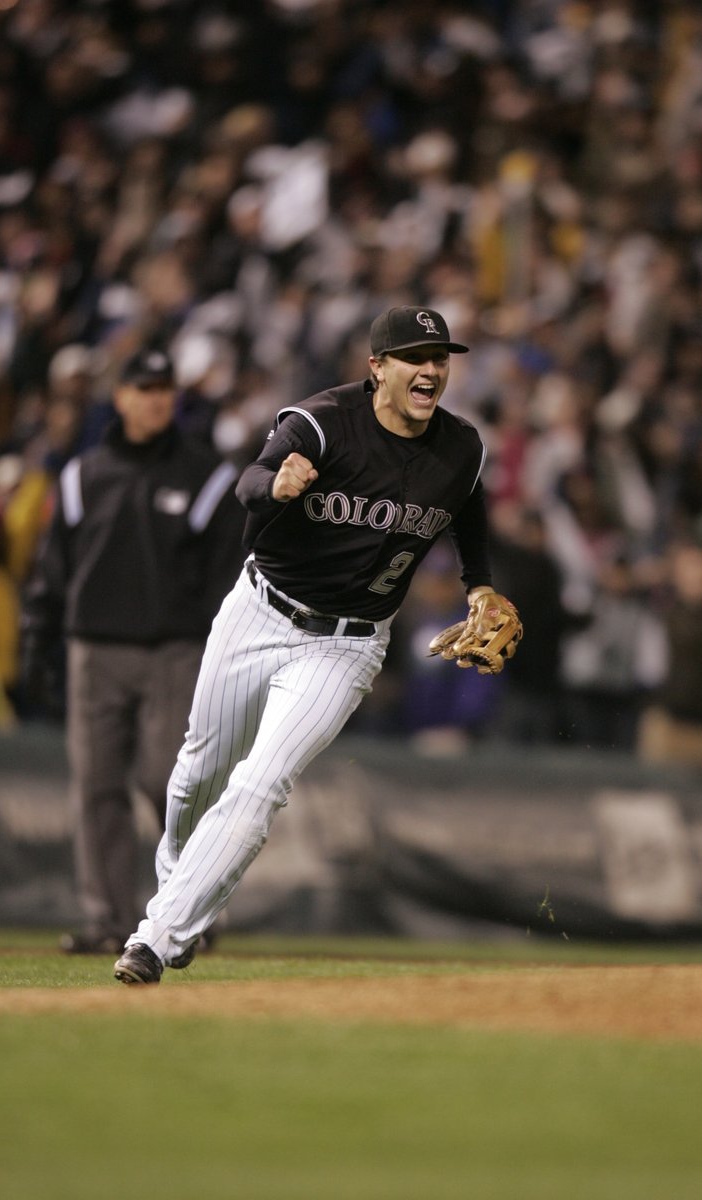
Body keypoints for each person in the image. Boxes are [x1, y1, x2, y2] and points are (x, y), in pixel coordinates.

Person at [113, 305, 510, 983]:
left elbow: (468, 510)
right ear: (377, 366)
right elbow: (248, 483)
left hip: (347, 644)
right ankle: (178, 902)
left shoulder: (460, 447)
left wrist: (480, 585)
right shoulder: (321, 422)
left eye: (441, 358)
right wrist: (277, 485)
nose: (432, 370)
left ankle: (157, 936)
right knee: (193, 780)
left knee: (262, 784)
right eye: (415, 356)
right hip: (260, 612)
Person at [20, 346, 246, 954]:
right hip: (93, 648)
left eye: (164, 389)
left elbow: (231, 573)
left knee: (167, 780)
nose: (156, 400)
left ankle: (193, 910)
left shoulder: (208, 475)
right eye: (144, 389)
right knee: (95, 786)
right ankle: (111, 920)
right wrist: (38, 637)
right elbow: (53, 570)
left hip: (174, 652)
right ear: (120, 397)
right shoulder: (80, 477)